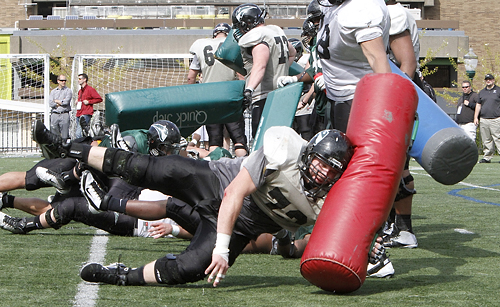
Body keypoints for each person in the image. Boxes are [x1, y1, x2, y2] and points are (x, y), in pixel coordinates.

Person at [316, 0, 391, 132]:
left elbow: (377, 58)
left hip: (358, 101)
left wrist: (387, 107)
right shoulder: (334, 7)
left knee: (354, 151)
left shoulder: (360, 8)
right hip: (337, 97)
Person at [232, 3, 296, 139]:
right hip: (282, 95)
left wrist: (249, 89)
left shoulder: (256, 36)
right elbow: (292, 53)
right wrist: (280, 70)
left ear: (246, 23)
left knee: (262, 144)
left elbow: (260, 65)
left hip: (264, 98)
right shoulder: (275, 30)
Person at [187, 23, 248, 157]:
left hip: (210, 97)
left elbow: (191, 77)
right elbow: (241, 75)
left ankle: (216, 168)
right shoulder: (233, 46)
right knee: (238, 140)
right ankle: (242, 168)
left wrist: (192, 97)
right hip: (230, 95)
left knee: (214, 140)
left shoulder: (201, 45)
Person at [475, 74, 500, 163]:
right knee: (486, 139)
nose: (488, 81)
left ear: (493, 80)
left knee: (498, 138)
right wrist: (476, 117)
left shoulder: (498, 90)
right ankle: (487, 157)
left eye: (490, 79)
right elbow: (478, 105)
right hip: (484, 119)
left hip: (496, 119)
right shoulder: (482, 92)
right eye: (486, 79)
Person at [75, 73, 103, 138]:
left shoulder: (90, 89)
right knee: (81, 132)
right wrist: (77, 100)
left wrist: (89, 102)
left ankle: (79, 147)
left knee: (78, 133)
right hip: (79, 113)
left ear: (84, 79)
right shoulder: (80, 91)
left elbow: (99, 99)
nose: (78, 80)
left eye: (80, 79)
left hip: (86, 113)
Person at [48, 75, 72, 140]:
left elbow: (66, 102)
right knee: (54, 133)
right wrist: (58, 103)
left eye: (64, 80)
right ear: (58, 81)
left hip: (64, 113)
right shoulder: (53, 91)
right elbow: (50, 103)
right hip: (55, 114)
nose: (63, 82)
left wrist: (57, 101)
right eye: (62, 80)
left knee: (64, 134)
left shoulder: (68, 91)